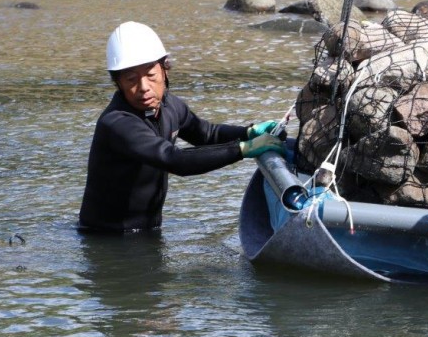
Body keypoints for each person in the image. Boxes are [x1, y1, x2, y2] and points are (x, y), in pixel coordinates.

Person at [79, 21, 286, 233]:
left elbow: (206, 133)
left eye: (151, 75)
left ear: (164, 71)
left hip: (147, 233)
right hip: (107, 238)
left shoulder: (170, 106)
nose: (143, 87)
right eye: (131, 79)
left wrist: (249, 132)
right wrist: (244, 149)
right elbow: (174, 159)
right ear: (118, 83)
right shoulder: (118, 123)